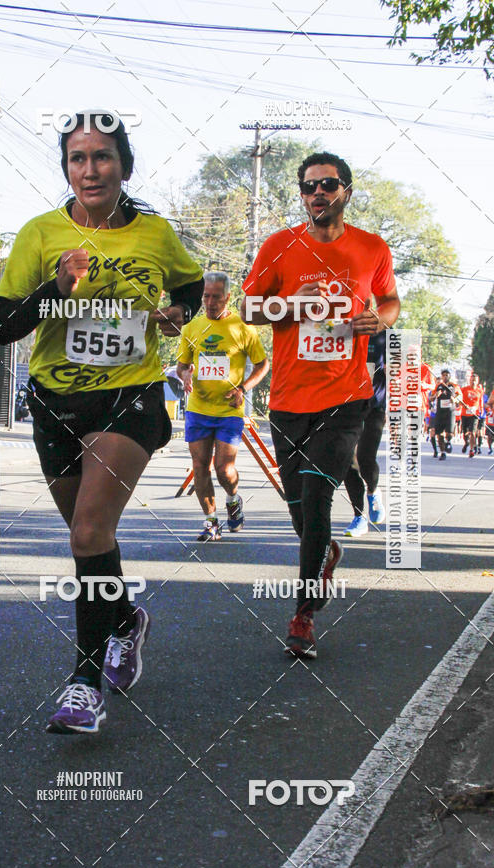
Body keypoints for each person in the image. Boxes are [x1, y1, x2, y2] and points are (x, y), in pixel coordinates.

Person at [0, 112, 204, 734]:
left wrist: (175, 313)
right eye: (78, 158)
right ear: (67, 168)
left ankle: (84, 684)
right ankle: (125, 620)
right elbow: (2, 326)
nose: (90, 169)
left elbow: (190, 288)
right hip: (56, 402)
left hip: (130, 395)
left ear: (124, 166)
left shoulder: (156, 234)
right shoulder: (40, 233)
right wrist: (57, 288)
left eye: (102, 157)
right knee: (95, 541)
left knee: (86, 534)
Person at [242, 151, 400, 659]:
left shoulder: (371, 248)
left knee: (316, 501)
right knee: (300, 515)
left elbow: (391, 299)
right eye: (309, 187)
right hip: (288, 401)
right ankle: (326, 551)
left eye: (328, 185)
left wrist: (382, 319)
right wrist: (290, 304)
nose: (318, 194)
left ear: (346, 192)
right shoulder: (279, 245)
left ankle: (303, 616)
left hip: (346, 397)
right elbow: (248, 305)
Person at [176, 272, 269, 540]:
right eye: (206, 296)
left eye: (216, 296)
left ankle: (233, 498)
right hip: (198, 409)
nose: (210, 302)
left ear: (228, 297)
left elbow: (263, 365)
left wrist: (243, 389)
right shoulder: (192, 328)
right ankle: (211, 522)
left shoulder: (243, 327)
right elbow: (183, 366)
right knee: (200, 466)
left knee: (224, 470)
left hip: (229, 410)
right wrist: (185, 376)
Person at [343, 330, 387, 536]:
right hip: (344, 405)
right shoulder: (341, 328)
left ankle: (373, 491)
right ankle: (359, 517)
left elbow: (403, 372)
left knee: (365, 458)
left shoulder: (385, 335)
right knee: (346, 460)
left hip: (374, 405)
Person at [430, 369, 461, 460]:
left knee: (449, 433)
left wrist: (454, 399)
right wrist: (436, 395)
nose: (445, 376)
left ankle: (448, 441)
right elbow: (431, 398)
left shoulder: (454, 386)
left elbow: (460, 396)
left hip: (450, 412)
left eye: (447, 375)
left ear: (449, 376)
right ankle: (442, 453)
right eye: (443, 375)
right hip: (440, 412)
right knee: (439, 434)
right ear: (441, 376)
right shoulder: (438, 386)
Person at [460, 373, 483, 458]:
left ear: (477, 381)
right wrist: (464, 405)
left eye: (475, 380)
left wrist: (481, 409)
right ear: (469, 380)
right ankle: (466, 442)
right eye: (472, 380)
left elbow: (480, 401)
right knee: (465, 432)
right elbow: (459, 400)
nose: (473, 381)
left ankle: (471, 450)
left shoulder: (479, 390)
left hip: (474, 414)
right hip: (465, 413)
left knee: (473, 432)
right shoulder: (464, 389)